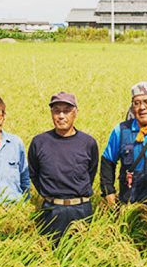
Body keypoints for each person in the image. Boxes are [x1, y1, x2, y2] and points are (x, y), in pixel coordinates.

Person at [28, 92, 99, 245]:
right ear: (51, 113)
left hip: (81, 210)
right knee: (48, 256)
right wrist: (51, 194)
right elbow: (34, 173)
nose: (61, 116)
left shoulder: (88, 143)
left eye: (66, 111)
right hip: (51, 210)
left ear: (75, 113)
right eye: (56, 111)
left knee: (80, 256)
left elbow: (91, 172)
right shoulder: (39, 142)